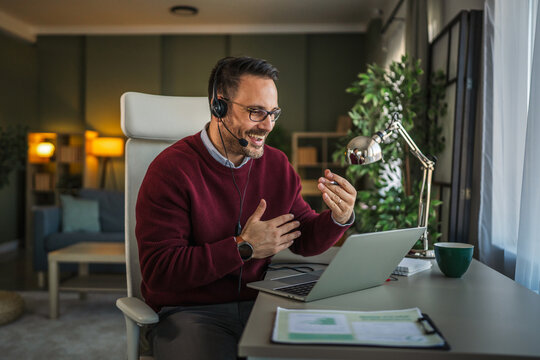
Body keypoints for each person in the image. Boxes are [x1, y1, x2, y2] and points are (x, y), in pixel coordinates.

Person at [136, 56, 357, 360]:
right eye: (256, 112)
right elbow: (160, 271)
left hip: (262, 305)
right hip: (190, 313)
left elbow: (303, 236)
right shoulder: (170, 170)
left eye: (273, 113)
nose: (267, 125)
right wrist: (243, 247)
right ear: (218, 106)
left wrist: (339, 217)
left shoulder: (277, 164)